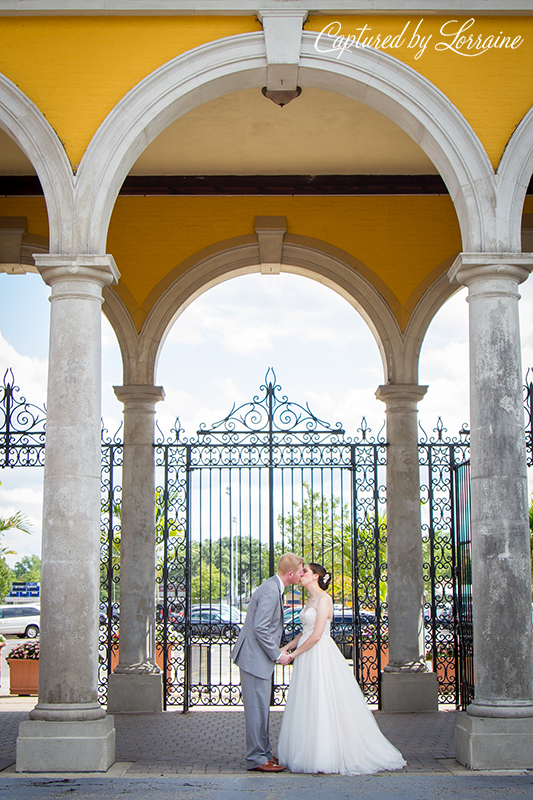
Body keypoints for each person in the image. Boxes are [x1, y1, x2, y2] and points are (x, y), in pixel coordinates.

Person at [277, 562, 406, 775]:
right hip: (306, 653)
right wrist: (288, 646)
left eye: (305, 571)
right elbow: (306, 631)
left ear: (316, 576)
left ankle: (327, 753)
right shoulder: (310, 600)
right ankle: (309, 748)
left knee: (323, 700)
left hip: (319, 654)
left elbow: (317, 635)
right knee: (308, 700)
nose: (301, 574)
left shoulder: (325, 599)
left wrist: (293, 655)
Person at [232, 553, 304, 772]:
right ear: (290, 574)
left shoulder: (274, 587)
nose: (302, 574)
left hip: (258, 659)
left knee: (262, 709)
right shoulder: (272, 591)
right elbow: (261, 627)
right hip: (254, 659)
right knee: (256, 710)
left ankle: (264, 753)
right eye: (300, 570)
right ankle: (257, 758)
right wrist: (277, 654)